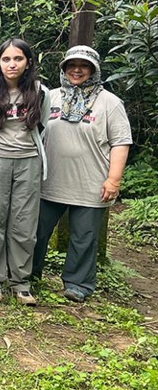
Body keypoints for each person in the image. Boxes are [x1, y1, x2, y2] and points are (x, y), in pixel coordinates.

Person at [32, 45, 132, 302]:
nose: (77, 70)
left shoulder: (110, 102)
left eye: (84, 65)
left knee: (84, 237)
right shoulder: (49, 97)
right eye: (72, 65)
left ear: (94, 70)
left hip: (91, 183)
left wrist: (114, 179)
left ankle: (78, 284)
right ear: (64, 69)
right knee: (36, 232)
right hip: (48, 180)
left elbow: (120, 142)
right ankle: (29, 275)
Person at [0, 38, 50, 305]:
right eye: (6, 59)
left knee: (25, 223)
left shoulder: (40, 92)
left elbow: (43, 127)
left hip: (28, 160)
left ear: (28, 63)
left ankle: (21, 282)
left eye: (18, 59)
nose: (12, 64)